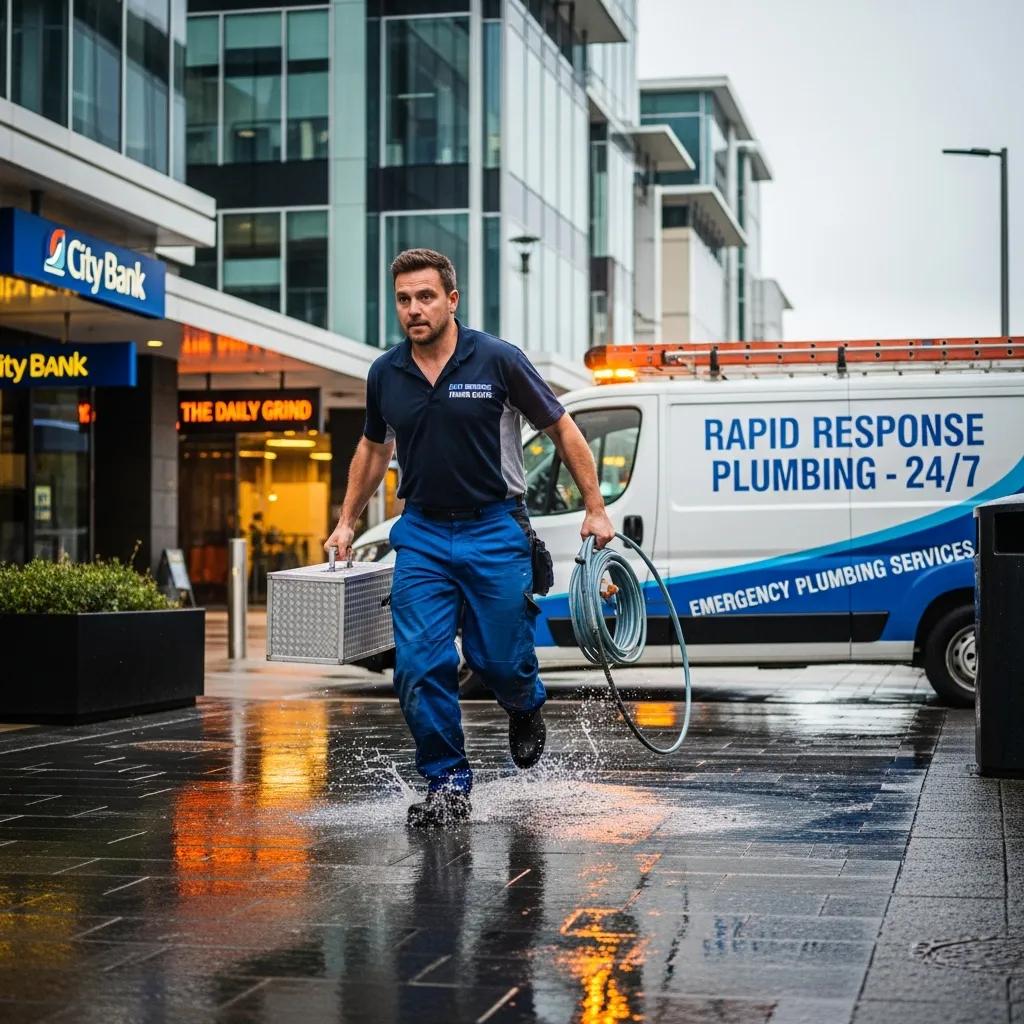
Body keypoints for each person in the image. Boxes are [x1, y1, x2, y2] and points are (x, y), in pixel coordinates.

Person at [326, 248, 614, 828]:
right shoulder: (386, 372)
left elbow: (561, 428)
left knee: (498, 659)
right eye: (404, 299)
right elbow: (375, 447)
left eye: (425, 296)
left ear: (452, 300)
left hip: (495, 527)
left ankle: (525, 703)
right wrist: (346, 519)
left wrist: (595, 507)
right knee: (418, 664)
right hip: (423, 533)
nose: (414, 309)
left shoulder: (498, 360)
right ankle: (448, 785)